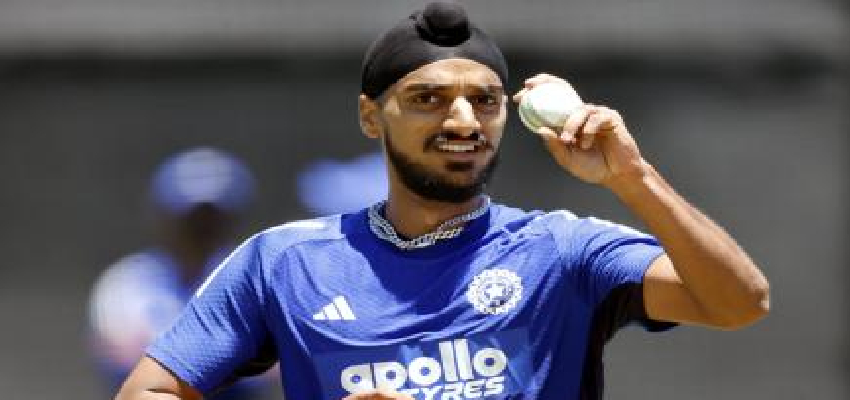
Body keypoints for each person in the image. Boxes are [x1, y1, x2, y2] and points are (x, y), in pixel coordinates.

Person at [114, 2, 769, 399]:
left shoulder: (564, 252)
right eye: (427, 98)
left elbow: (739, 302)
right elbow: (149, 389)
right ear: (371, 117)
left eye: (484, 100)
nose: (463, 119)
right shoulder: (282, 263)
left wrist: (633, 178)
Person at [89, 147, 273, 400]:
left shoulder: (258, 277)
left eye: (213, 218)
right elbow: (121, 363)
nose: (202, 228)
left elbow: (271, 372)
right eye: (192, 219)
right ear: (163, 216)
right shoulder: (126, 283)